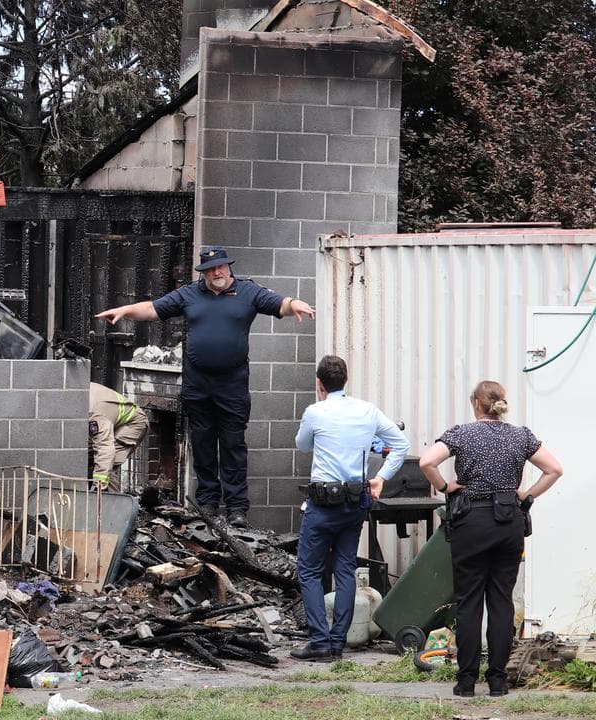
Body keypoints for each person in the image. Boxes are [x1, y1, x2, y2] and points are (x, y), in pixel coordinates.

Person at [94, 245, 315, 527]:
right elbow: (152, 309)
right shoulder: (190, 293)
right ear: (204, 273)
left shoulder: (248, 291)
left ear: (228, 267)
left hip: (232, 385)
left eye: (220, 267)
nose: (216, 272)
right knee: (203, 444)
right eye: (210, 269)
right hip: (198, 384)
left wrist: (294, 303)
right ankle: (208, 504)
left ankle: (236, 508)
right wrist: (125, 310)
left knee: (233, 445)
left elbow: (279, 304)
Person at [418, 381, 563, 698]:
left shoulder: (462, 433)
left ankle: (466, 682)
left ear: (476, 404)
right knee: (501, 602)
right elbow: (554, 469)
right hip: (509, 522)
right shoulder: (520, 435)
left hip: (471, 522)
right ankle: (498, 681)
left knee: (469, 602)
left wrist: (446, 487)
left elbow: (426, 462)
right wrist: (525, 495)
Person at [290, 355, 409, 661]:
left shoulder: (315, 412)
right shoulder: (367, 410)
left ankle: (319, 641)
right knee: (344, 569)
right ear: (346, 380)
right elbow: (401, 446)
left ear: (319, 384)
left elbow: (303, 445)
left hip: (322, 503)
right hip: (355, 501)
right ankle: (338, 642)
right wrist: (381, 477)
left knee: (309, 570)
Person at [88, 382, 149, 491]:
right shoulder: (77, 389)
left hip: (133, 424)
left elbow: (104, 448)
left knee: (107, 465)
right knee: (91, 459)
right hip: (112, 421)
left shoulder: (96, 413)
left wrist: (98, 485)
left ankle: (111, 504)